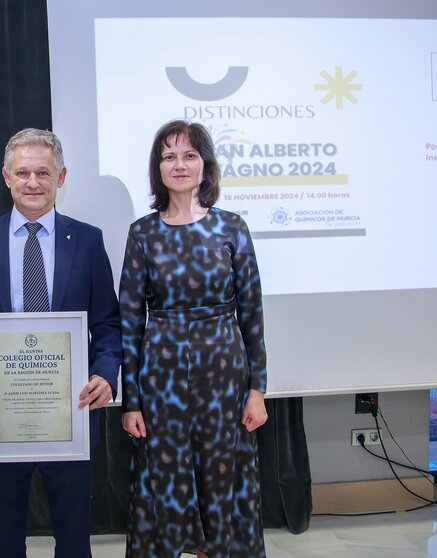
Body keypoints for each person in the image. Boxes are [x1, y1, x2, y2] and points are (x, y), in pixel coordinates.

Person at [0, 128, 121, 558]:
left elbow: (107, 322)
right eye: (22, 172)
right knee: (4, 539)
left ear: (61, 177)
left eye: (43, 172)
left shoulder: (88, 239)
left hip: (71, 409)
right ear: (6, 176)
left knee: (74, 538)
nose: (32, 182)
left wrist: (105, 373)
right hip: (3, 414)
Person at [120, 120, 269, 558]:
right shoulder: (142, 233)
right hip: (160, 380)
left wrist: (257, 389)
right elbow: (129, 320)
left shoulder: (232, 228)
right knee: (162, 481)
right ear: (157, 168)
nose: (179, 164)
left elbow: (253, 315)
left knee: (223, 478)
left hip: (224, 377)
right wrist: (132, 401)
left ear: (206, 165)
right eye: (169, 156)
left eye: (189, 155)